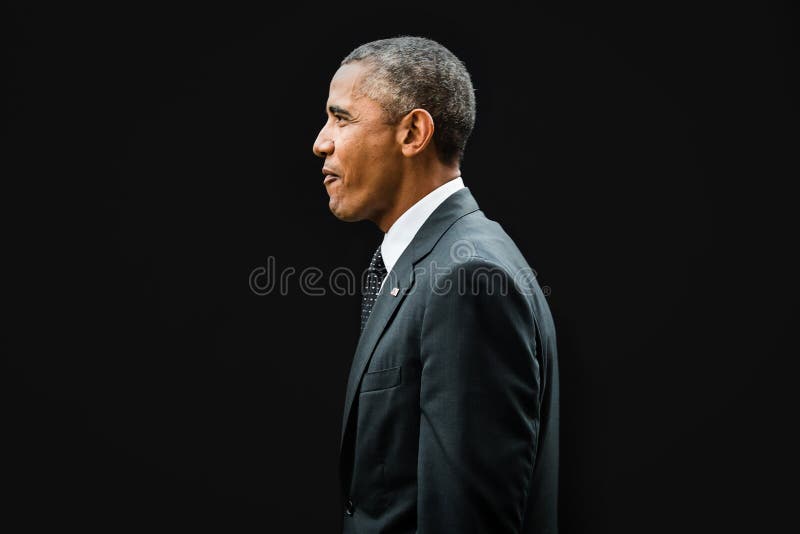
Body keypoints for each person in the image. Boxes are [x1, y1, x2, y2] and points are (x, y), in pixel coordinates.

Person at [312, 36, 559, 534]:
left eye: (342, 118)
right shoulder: (438, 261)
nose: (321, 141)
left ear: (413, 133)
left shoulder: (468, 279)